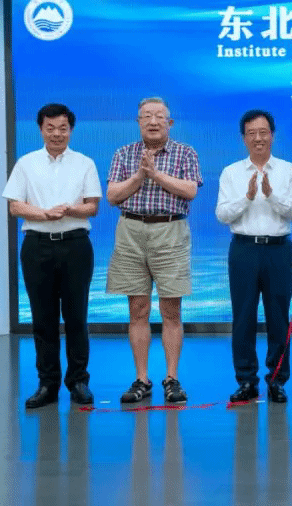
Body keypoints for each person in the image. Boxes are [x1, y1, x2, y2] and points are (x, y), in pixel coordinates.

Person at [3, 103, 101, 409]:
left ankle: (79, 381)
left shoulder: (84, 163)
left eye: (63, 128)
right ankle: (47, 384)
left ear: (71, 130)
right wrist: (45, 214)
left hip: (75, 245)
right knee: (43, 318)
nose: (57, 134)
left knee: (76, 316)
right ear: (40, 129)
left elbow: (92, 206)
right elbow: (15, 206)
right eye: (50, 128)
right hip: (37, 246)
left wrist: (69, 210)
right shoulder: (26, 163)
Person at [106, 97, 203, 404]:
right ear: (138, 122)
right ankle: (141, 379)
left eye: (159, 116)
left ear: (169, 123)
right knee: (138, 309)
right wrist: (139, 175)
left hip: (170, 230)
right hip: (131, 230)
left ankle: (171, 378)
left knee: (171, 310)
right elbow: (112, 195)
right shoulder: (123, 153)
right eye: (146, 116)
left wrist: (156, 174)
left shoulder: (186, 153)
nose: (152, 121)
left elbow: (190, 190)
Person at [216, 110, 292, 404]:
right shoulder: (231, 172)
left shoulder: (289, 170)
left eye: (263, 132)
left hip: (278, 250)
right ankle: (246, 381)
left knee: (278, 317)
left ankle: (277, 379)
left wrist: (271, 195)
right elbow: (222, 214)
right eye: (252, 133)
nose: (258, 138)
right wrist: (248, 197)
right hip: (243, 249)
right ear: (244, 138)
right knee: (243, 316)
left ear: (273, 135)